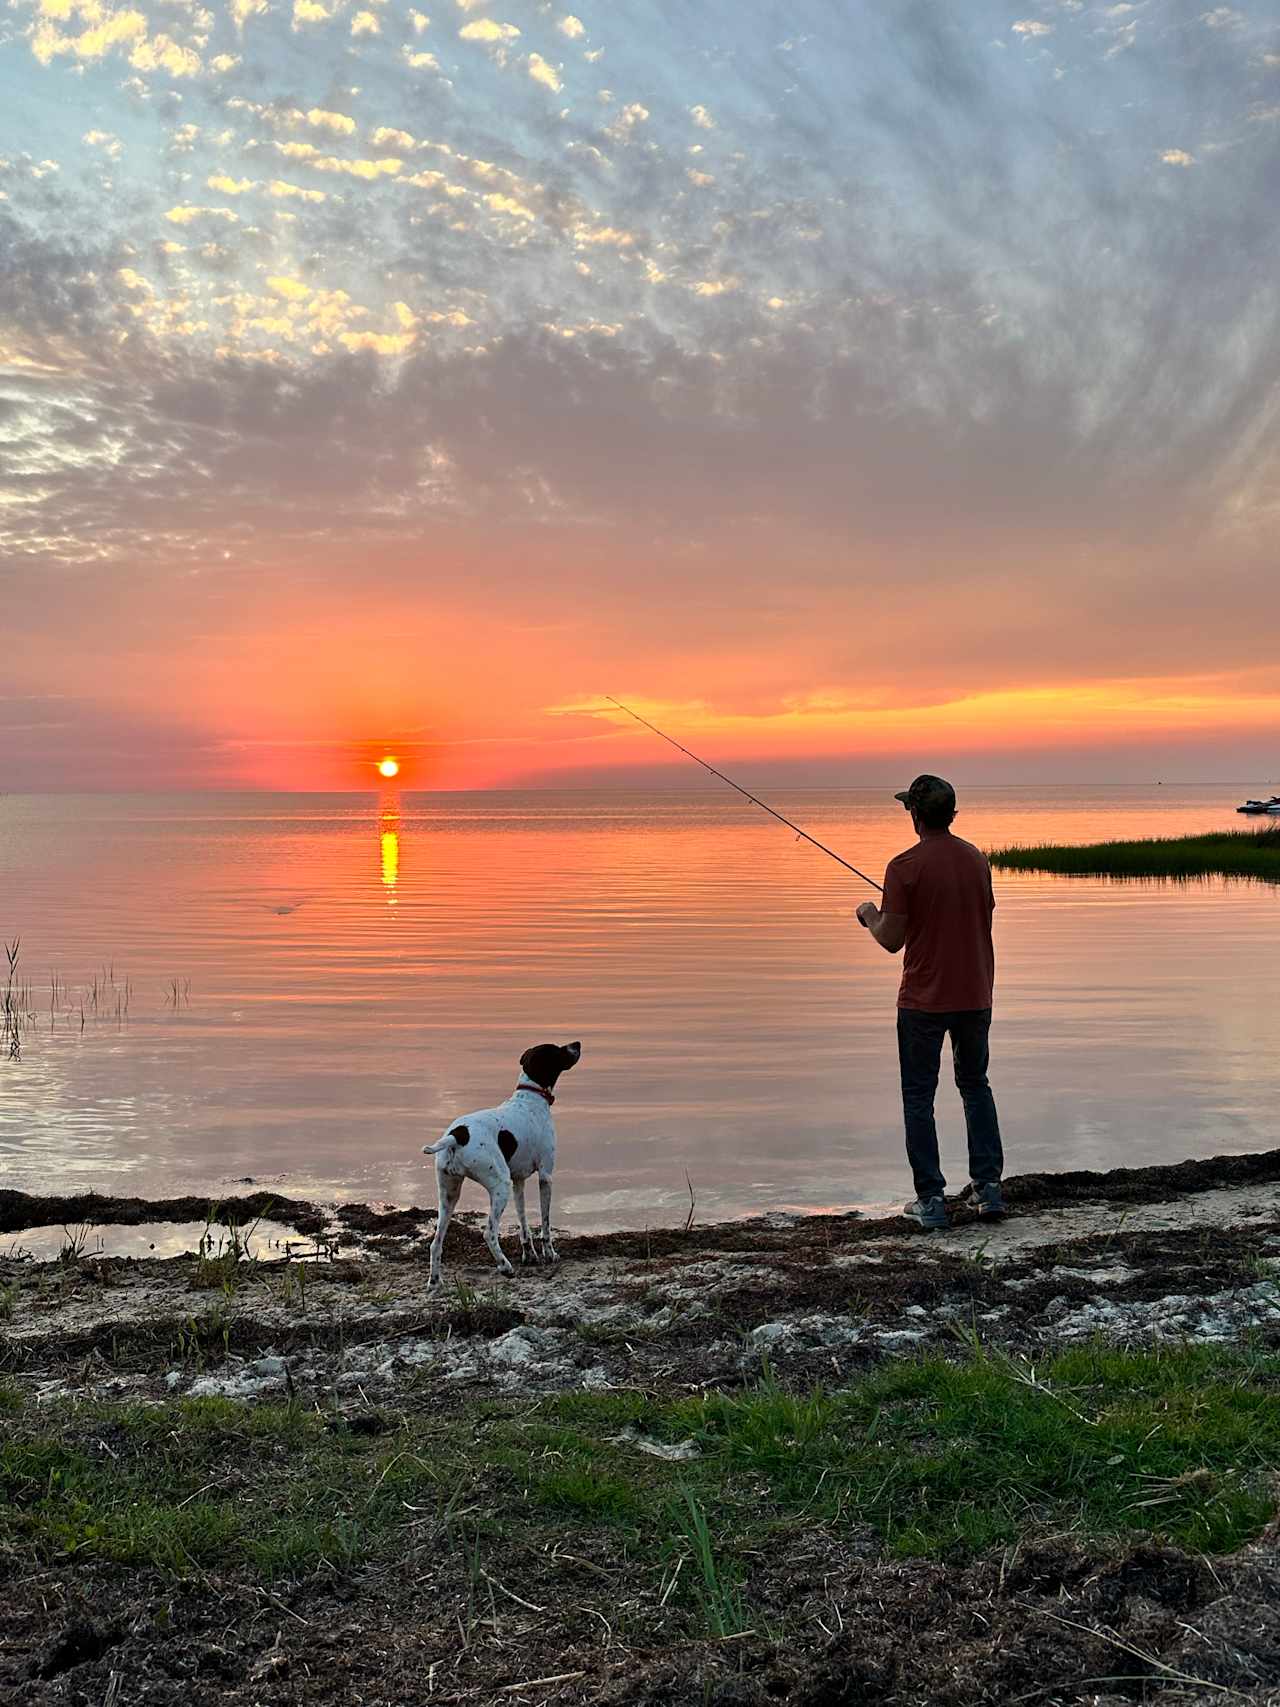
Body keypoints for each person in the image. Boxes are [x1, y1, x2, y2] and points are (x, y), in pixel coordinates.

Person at [855, 775, 1005, 1229]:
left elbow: (891, 940)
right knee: (975, 1085)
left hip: (923, 1000)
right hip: (976, 993)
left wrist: (869, 915)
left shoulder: (904, 866)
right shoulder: (977, 860)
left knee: (918, 1097)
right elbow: (983, 914)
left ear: (915, 815)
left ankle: (931, 1200)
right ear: (952, 814)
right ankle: (989, 1190)